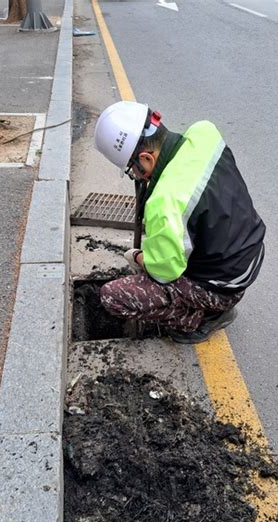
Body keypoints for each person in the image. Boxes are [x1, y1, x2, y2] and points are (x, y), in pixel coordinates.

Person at [93, 101, 266, 344]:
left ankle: (202, 318)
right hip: (249, 255)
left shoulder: (165, 201)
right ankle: (210, 303)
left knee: (112, 297)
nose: (136, 175)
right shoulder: (206, 133)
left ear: (146, 158)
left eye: (134, 169)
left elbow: (163, 272)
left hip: (223, 286)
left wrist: (139, 257)